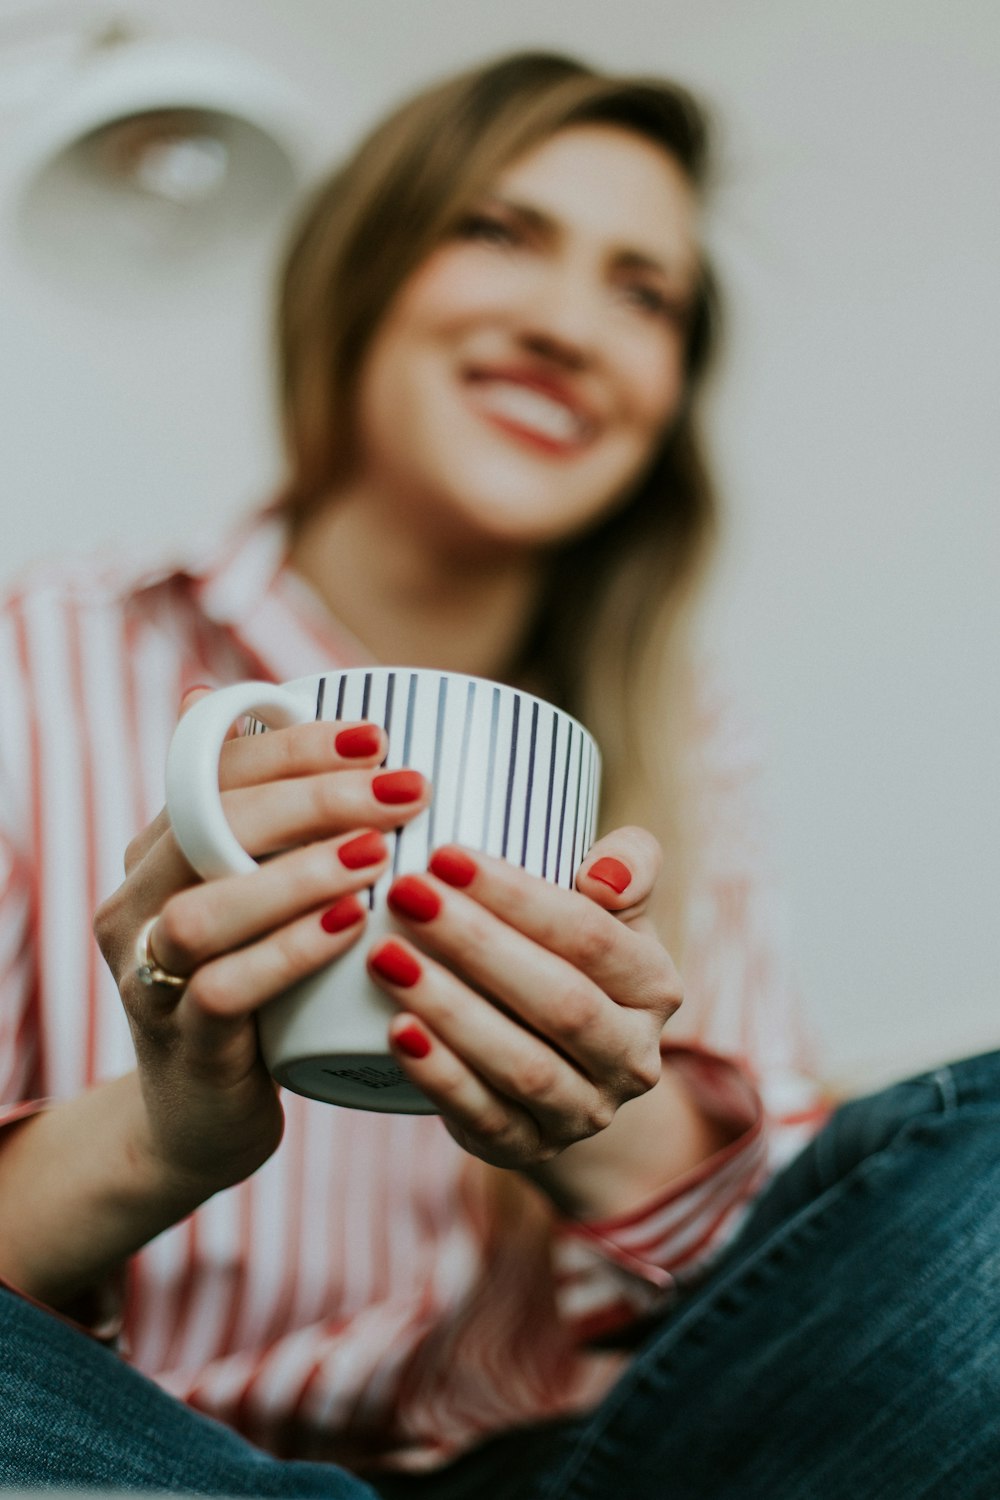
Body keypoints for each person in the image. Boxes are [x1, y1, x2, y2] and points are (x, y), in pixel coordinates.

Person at [0, 48, 997, 1500]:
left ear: (665, 400)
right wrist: (161, 1134)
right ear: (361, 276)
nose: (567, 326)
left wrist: (604, 1112)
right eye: (499, 233)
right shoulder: (45, 657)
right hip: (115, 1445)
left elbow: (808, 1313)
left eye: (642, 292)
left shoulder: (683, 741)